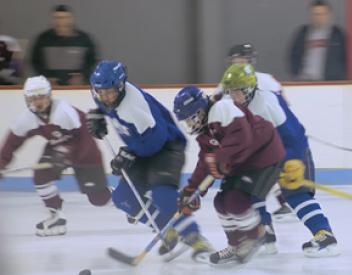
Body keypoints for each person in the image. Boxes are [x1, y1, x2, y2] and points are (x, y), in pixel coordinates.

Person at [85, 60, 212, 262]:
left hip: (166, 147)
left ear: (120, 86)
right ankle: (167, 228)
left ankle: (196, 239)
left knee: (163, 195)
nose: (106, 97)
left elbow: (156, 139)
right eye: (101, 92)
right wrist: (97, 115)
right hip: (140, 149)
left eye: (110, 92)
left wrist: (128, 154)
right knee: (123, 198)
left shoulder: (134, 107)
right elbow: (103, 105)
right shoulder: (103, 96)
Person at [222, 63, 340, 258]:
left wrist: (292, 162)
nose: (234, 97)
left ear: (249, 89)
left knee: (295, 195)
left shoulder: (267, 103)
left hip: (291, 151)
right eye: (231, 92)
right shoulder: (232, 108)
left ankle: (324, 234)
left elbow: (293, 137)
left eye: (237, 92)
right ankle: (264, 232)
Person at [173, 85, 285, 265]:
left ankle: (253, 236)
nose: (190, 124)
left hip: (264, 157)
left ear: (201, 110)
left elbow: (243, 136)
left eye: (191, 118)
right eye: (186, 121)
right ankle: (235, 244)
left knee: (235, 201)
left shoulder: (221, 108)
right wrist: (191, 190)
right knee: (220, 202)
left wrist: (221, 157)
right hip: (243, 163)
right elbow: (205, 161)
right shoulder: (205, 132)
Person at [0, 75, 112, 237]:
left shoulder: (63, 111)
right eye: (33, 98)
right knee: (41, 175)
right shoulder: (27, 118)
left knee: (98, 199)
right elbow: (12, 142)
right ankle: (56, 216)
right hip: (58, 145)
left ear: (49, 96)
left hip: (84, 149)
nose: (38, 103)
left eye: (41, 97)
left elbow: (83, 137)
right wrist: (1, 163)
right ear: (26, 99)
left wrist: (66, 156)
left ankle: (123, 197)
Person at [225, 43, 296, 223]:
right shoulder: (228, 80)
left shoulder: (265, 80)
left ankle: (278, 203)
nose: (238, 62)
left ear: (250, 60)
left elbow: (283, 105)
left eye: (241, 59)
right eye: (235, 59)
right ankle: (279, 202)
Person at [31, 4, 98, 85]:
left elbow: (92, 61)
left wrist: (83, 75)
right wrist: (45, 77)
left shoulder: (84, 40)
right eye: (57, 18)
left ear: (71, 19)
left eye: (64, 18)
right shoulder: (43, 40)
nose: (61, 22)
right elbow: (35, 61)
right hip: (49, 89)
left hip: (76, 89)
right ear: (52, 20)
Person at [288, 0, 346, 81]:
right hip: (305, 81)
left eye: (322, 14)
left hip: (330, 82)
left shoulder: (338, 35)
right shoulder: (302, 33)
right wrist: (296, 74)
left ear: (329, 15)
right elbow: (293, 56)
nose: (319, 17)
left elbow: (347, 58)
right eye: (315, 14)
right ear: (310, 15)